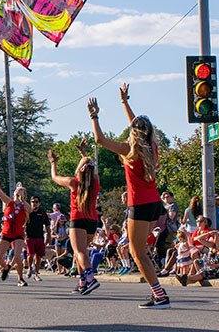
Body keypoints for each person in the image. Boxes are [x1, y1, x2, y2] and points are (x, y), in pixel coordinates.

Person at [90, 83, 169, 309]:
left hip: (140, 205)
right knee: (140, 249)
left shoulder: (129, 150)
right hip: (154, 203)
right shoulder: (151, 147)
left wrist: (94, 116)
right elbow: (138, 126)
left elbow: (100, 140)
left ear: (133, 132)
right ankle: (152, 242)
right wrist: (125, 102)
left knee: (137, 252)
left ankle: (160, 295)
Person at [49, 140, 101, 295]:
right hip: (92, 220)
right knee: (83, 251)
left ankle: (90, 278)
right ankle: (82, 282)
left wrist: (53, 162)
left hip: (78, 219)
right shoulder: (95, 183)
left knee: (79, 252)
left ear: (79, 169)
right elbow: (91, 169)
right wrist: (84, 154)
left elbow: (55, 177)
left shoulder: (73, 183)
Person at [0, 163, 31, 287]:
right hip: (6, 232)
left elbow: (30, 210)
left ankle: (20, 278)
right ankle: (6, 267)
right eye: (18, 191)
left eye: (22, 192)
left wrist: (22, 200)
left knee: (17, 256)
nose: (19, 193)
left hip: (18, 234)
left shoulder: (25, 206)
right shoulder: (9, 203)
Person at [25, 196, 51, 281]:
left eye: (36, 202)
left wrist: (49, 236)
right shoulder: (28, 211)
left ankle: (36, 273)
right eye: (32, 202)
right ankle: (29, 268)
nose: (34, 203)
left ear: (39, 203)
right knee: (31, 254)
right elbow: (23, 223)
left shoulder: (42, 212)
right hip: (30, 237)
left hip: (40, 237)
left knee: (39, 256)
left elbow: (47, 225)